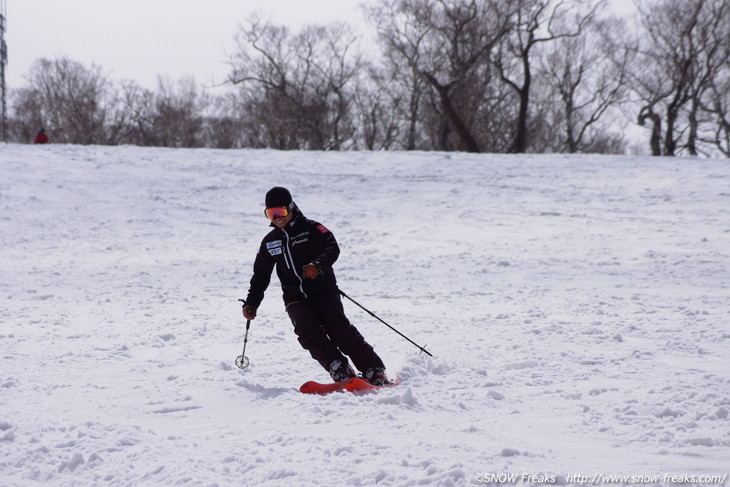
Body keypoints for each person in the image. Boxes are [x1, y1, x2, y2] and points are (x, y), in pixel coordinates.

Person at [242, 187, 390, 385]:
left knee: (339, 330)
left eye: (281, 212)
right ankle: (338, 368)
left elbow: (332, 247)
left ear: (291, 208)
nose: (277, 218)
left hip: (323, 291)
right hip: (294, 298)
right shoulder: (270, 242)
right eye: (271, 214)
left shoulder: (311, 229)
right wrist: (252, 302)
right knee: (307, 333)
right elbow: (261, 275)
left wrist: (318, 265)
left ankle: (373, 369)